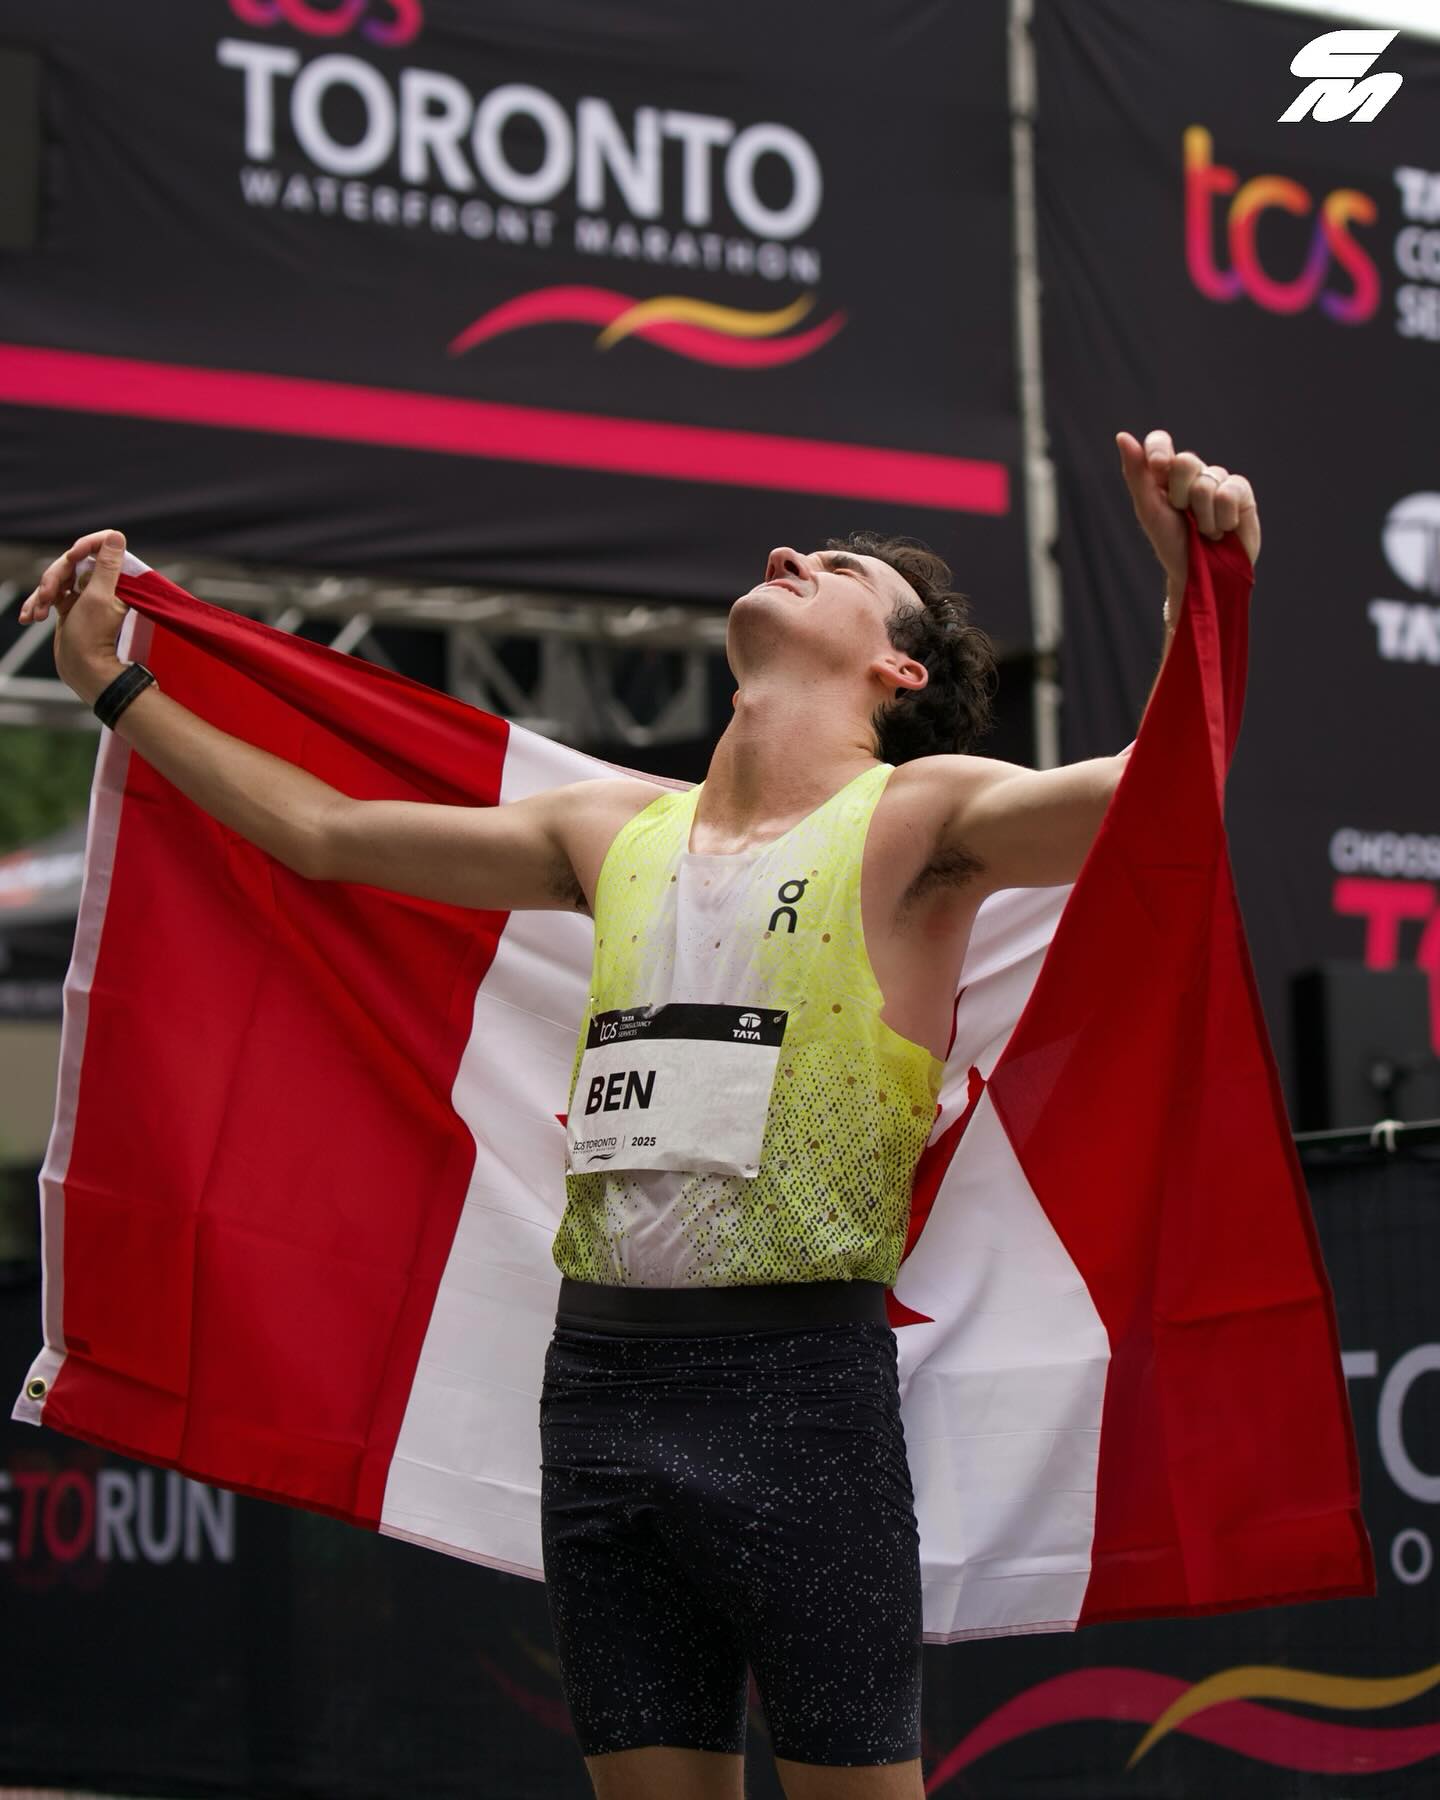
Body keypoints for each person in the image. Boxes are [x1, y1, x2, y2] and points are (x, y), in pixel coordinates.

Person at [20, 428, 1259, 1800]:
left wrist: (1196, 589)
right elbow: (322, 833)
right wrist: (114, 687)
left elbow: (1160, 796)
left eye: (839, 568)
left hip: (801, 1399)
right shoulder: (606, 828)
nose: (787, 553)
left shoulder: (921, 820)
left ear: (897, 671)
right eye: (797, 549)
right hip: (600, 1395)